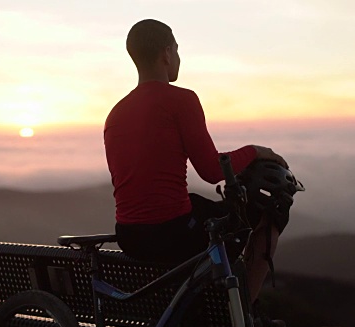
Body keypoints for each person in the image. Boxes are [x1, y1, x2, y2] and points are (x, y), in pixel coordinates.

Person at [104, 19, 290, 303]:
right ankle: (244, 320)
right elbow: (213, 171)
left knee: (200, 205)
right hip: (173, 234)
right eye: (177, 50)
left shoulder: (115, 113)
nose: (178, 58)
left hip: (129, 236)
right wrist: (254, 150)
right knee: (269, 213)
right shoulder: (182, 99)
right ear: (167, 53)